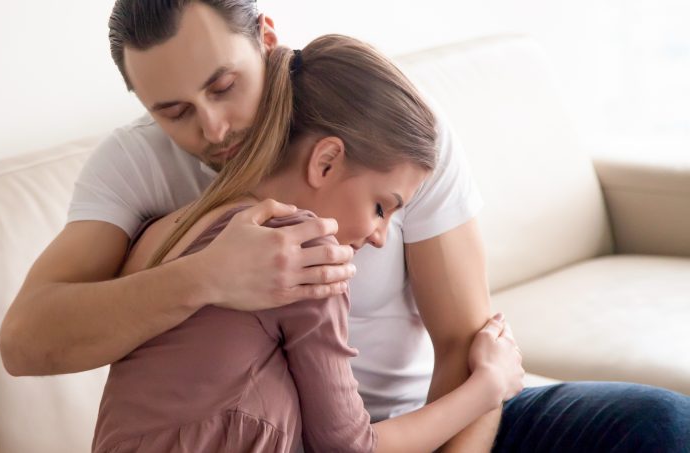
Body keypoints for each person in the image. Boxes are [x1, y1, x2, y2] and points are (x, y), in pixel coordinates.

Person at [0, 1, 690, 451]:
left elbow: (466, 346)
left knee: (658, 425)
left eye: (222, 86)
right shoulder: (140, 171)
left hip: (435, 421)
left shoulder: (391, 134)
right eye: (172, 110)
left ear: (266, 39)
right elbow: (26, 340)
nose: (210, 128)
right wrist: (207, 276)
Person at [91, 34, 526, 453]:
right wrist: (488, 385)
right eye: (381, 207)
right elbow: (349, 446)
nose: (380, 237)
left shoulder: (161, 232)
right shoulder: (301, 254)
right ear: (326, 160)